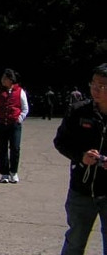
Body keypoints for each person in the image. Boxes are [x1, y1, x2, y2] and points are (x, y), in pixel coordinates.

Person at [54, 63, 107, 254]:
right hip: (81, 190)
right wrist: (80, 157)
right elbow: (60, 141)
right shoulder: (78, 111)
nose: (96, 89)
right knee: (75, 242)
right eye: (93, 84)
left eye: (102, 86)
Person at [0, 68, 29, 183]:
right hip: (0, 124)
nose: (2, 80)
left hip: (14, 124)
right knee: (2, 149)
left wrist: (19, 119)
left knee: (15, 148)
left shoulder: (20, 91)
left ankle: (13, 172)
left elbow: (25, 108)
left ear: (11, 80)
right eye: (2, 78)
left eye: (5, 78)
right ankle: (4, 173)